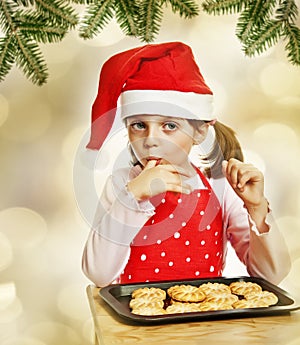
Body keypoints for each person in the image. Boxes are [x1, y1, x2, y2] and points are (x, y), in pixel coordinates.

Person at [82, 41, 291, 287]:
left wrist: (257, 208)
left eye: (169, 126)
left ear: (199, 132)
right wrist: (132, 197)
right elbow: (99, 274)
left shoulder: (221, 188)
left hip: (204, 321)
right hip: (139, 321)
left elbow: (271, 275)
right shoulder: (122, 184)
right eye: (139, 125)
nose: (151, 140)